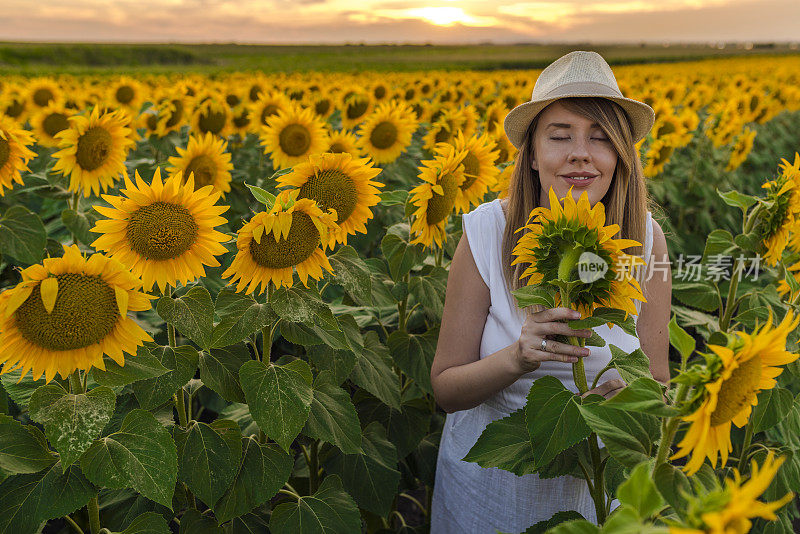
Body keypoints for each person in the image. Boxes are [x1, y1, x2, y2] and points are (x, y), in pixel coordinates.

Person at [429, 50, 672, 533]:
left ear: (620, 156)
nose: (580, 153)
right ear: (533, 156)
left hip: (598, 491)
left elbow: (660, 382)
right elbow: (444, 388)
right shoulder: (486, 233)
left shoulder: (646, 240)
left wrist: (634, 398)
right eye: (560, 136)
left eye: (601, 139)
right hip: (491, 487)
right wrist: (516, 358)